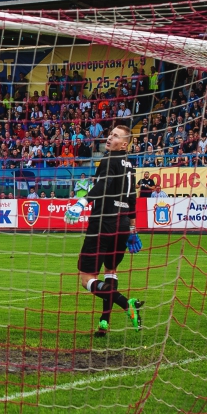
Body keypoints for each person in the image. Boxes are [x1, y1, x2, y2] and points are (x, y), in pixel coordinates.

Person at [64, 125, 143, 337]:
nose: (110, 137)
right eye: (110, 134)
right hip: (123, 225)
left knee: (86, 278)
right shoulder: (130, 166)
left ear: (124, 144)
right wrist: (133, 228)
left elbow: (104, 186)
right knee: (111, 271)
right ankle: (104, 322)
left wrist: (82, 201)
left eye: (115, 136)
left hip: (103, 224)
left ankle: (126, 303)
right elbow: (132, 198)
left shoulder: (109, 160)